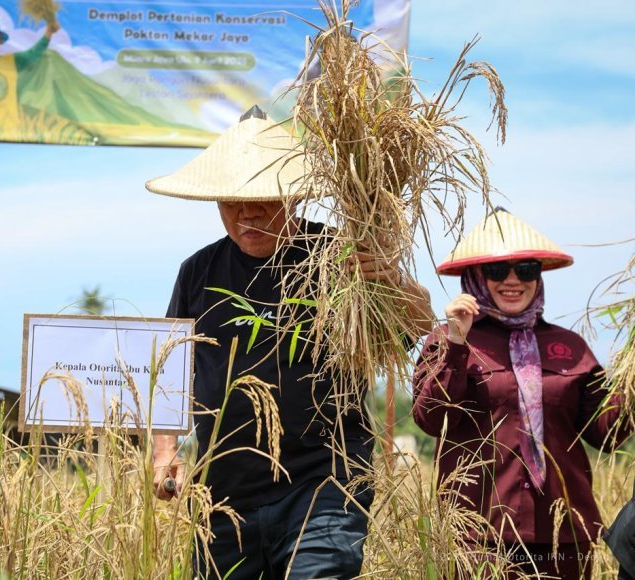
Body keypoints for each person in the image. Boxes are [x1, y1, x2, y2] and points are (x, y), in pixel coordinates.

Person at [146, 107, 433, 579]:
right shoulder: (198, 271)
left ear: (295, 194)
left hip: (324, 483)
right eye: (232, 200)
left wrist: (394, 280)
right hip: (224, 492)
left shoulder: (339, 257)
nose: (248, 212)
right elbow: (171, 371)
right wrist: (165, 453)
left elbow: (420, 322)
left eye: (264, 196)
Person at [412, 208, 632, 578]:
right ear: (475, 276)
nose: (513, 280)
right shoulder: (448, 341)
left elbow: (608, 434)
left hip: (563, 538)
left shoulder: (571, 347)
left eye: (526, 269)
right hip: (479, 538)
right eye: (498, 270)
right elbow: (430, 420)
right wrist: (456, 343)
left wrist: (630, 379)